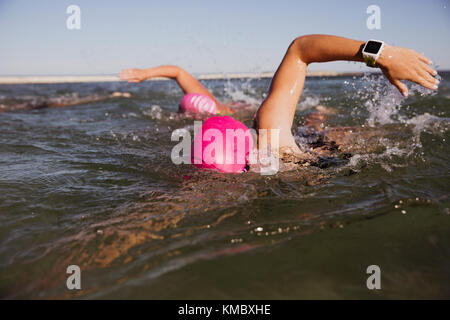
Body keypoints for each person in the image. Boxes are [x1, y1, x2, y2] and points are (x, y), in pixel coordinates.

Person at [119, 34, 439, 173]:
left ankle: (320, 113)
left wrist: (381, 53)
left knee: (317, 129)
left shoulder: (272, 138)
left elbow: (301, 48)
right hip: (306, 155)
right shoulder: (242, 160)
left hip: (315, 150)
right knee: (309, 129)